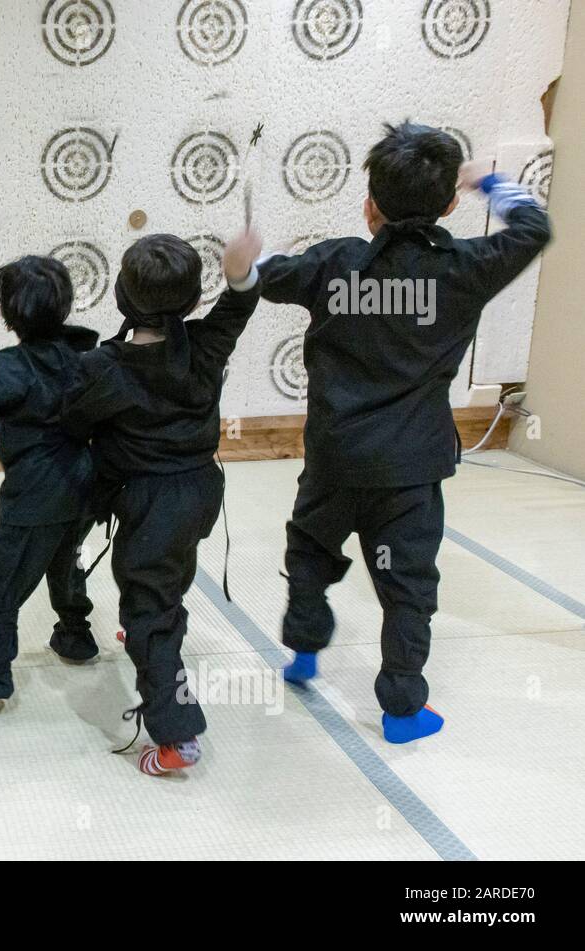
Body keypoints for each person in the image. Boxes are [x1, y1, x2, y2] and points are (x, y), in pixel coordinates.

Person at [259, 122, 552, 743]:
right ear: (448, 205)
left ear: (369, 205)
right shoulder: (468, 268)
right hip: (410, 472)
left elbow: (261, 275)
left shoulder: (333, 265)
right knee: (406, 587)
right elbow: (534, 228)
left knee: (310, 552)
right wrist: (489, 182)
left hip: (334, 461)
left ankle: (304, 654)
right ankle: (400, 711)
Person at [62, 227, 263, 775]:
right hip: (199, 492)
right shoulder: (205, 344)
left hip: (149, 499)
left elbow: (73, 420)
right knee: (163, 575)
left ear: (121, 298)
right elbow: (240, 304)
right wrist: (240, 271)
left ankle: (177, 737)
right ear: (194, 300)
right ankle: (152, 614)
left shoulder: (104, 366)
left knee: (150, 612)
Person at [0, 255, 98, 706]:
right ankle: (76, 636)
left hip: (33, 496)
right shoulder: (84, 355)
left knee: (3, 582)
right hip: (85, 486)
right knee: (65, 563)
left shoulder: (15, 366)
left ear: (8, 314)